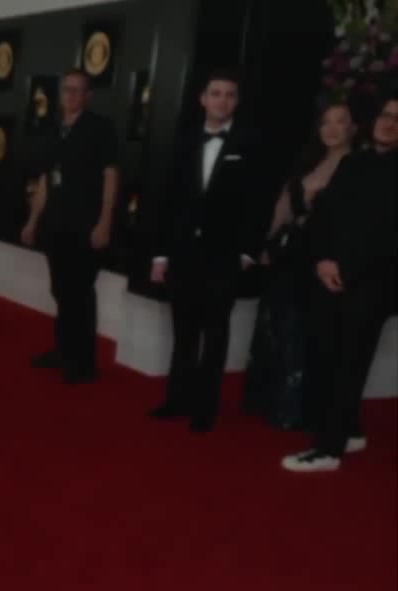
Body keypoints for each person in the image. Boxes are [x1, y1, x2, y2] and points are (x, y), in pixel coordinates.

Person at [149, 68, 269, 432]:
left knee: (215, 335)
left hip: (223, 257)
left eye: (230, 94)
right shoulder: (182, 140)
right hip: (183, 253)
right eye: (216, 93)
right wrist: (160, 255)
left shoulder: (251, 144)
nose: (222, 100)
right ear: (203, 99)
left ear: (237, 101)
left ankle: (205, 408)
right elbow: (166, 200)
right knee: (183, 332)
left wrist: (247, 252)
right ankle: (177, 399)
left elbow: (258, 203)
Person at [282, 95, 397, 472]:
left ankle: (328, 451)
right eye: (386, 115)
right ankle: (348, 430)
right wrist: (322, 261)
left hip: (373, 284)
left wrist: (346, 267)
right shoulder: (353, 162)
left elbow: (388, 236)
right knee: (326, 356)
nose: (389, 123)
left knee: (349, 365)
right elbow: (325, 216)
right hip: (328, 275)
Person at [243, 102, 355, 430]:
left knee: (303, 332)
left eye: (340, 122)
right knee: (274, 324)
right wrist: (267, 243)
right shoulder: (309, 161)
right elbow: (283, 207)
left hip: (321, 260)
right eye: (326, 122)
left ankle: (294, 410)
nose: (331, 128)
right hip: (288, 257)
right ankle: (266, 401)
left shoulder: (357, 166)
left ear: (353, 128)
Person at [21, 68, 119, 383]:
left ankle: (84, 364)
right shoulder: (53, 130)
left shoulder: (101, 128)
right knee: (61, 289)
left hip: (86, 225)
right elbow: (46, 180)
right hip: (55, 223)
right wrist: (33, 220)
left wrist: (105, 221)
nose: (71, 95)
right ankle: (63, 351)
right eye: (67, 89)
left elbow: (110, 176)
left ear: (88, 95)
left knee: (80, 293)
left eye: (78, 90)